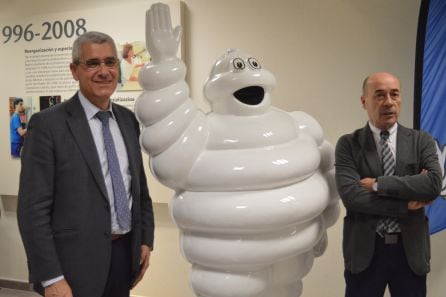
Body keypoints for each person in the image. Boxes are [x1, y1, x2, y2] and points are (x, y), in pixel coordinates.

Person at [17, 31, 154, 297]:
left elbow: (139, 189)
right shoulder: (47, 125)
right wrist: (51, 277)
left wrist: (146, 239)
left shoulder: (128, 120)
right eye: (92, 64)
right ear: (74, 70)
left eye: (110, 62)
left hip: (123, 256)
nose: (104, 71)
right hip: (72, 267)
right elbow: (32, 210)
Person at [335, 72, 442, 297]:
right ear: (364, 101)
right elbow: (352, 197)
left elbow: (432, 185)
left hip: (410, 252)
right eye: (380, 95)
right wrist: (406, 204)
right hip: (365, 251)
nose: (389, 102)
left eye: (394, 94)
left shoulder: (421, 140)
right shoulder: (348, 145)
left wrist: (378, 185)